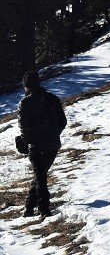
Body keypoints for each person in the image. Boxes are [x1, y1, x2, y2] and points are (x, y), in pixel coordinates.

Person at [16, 71, 67, 218]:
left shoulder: (25, 103)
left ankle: (44, 209)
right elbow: (62, 122)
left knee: (40, 177)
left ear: (26, 86)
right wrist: (53, 133)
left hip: (36, 146)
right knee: (40, 176)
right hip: (52, 145)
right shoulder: (53, 99)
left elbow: (24, 128)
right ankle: (29, 207)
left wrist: (25, 141)